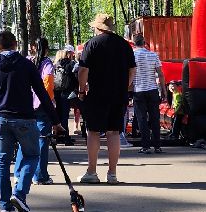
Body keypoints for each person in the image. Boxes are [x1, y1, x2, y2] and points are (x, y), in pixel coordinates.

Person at [0, 30, 59, 212]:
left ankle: (5, 205)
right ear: (15, 43)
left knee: (2, 160)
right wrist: (55, 120)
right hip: (24, 118)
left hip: (0, 119)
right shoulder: (26, 65)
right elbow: (42, 93)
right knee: (32, 155)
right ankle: (20, 194)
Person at [78, 13, 136, 185]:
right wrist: (124, 85)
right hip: (118, 95)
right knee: (114, 132)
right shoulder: (124, 45)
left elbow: (83, 70)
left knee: (94, 131)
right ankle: (112, 173)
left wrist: (82, 90)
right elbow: (133, 70)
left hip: (96, 93)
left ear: (97, 27)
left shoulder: (92, 44)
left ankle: (92, 171)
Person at [131, 32, 163, 154]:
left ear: (134, 43)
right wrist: (163, 90)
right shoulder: (153, 55)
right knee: (155, 118)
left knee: (142, 118)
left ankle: (145, 146)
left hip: (139, 90)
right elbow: (160, 74)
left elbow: (129, 73)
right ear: (144, 43)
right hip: (152, 90)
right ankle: (157, 146)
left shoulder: (132, 56)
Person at [30, 37, 56, 183]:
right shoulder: (47, 64)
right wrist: (47, 101)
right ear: (46, 48)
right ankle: (40, 175)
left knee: (25, 140)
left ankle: (21, 174)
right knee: (42, 140)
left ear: (34, 47)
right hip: (42, 106)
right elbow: (48, 84)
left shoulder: (29, 61)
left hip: (28, 104)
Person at [53, 46, 79, 140]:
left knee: (59, 114)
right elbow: (76, 77)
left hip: (57, 92)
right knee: (65, 115)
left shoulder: (57, 63)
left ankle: (58, 136)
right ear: (70, 53)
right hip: (67, 92)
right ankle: (66, 137)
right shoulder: (71, 64)